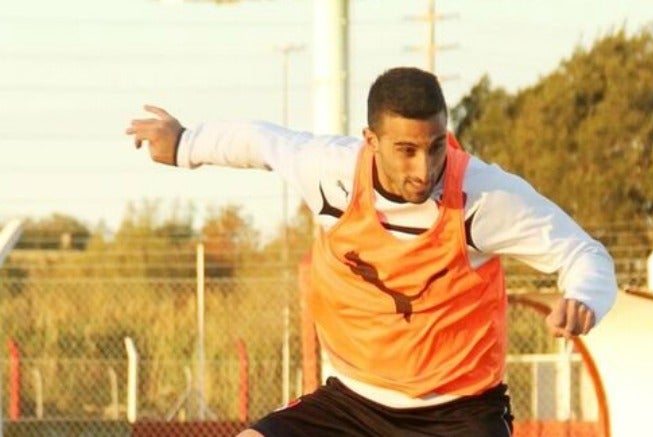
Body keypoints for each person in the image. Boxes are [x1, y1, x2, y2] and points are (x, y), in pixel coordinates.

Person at [126, 66, 617, 437]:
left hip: (459, 414)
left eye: (435, 148)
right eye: (406, 150)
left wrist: (584, 298)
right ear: (371, 141)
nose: (424, 169)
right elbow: (262, 142)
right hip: (353, 403)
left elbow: (586, 255)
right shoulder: (331, 172)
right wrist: (186, 143)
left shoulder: (484, 198)